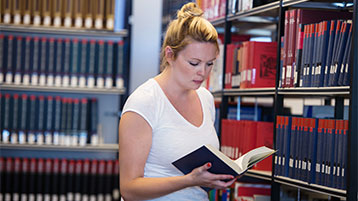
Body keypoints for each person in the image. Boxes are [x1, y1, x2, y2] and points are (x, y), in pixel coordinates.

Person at [119, 2, 235, 200]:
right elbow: (129, 189)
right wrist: (190, 180)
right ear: (170, 55)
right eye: (194, 63)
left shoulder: (205, 98)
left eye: (209, 64)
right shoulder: (144, 102)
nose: (203, 72)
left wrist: (213, 177)